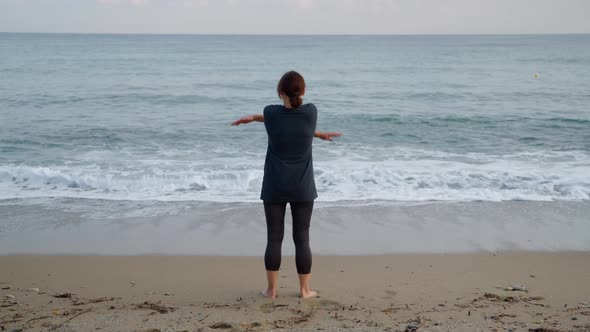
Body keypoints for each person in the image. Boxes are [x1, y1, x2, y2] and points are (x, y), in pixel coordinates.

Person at [231, 71, 341, 299]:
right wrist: (319, 135)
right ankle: (305, 290)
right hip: (302, 188)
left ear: (280, 92)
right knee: (302, 238)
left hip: (274, 186)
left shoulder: (270, 113)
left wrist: (252, 117)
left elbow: (277, 116)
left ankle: (271, 290)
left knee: (274, 238)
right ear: (303, 92)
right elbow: (298, 123)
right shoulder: (311, 112)